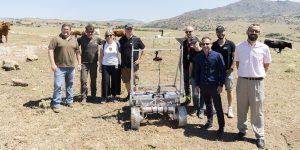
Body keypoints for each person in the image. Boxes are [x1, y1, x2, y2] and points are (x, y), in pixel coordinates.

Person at [234, 24, 271, 149]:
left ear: (259, 33)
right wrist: (246, 74)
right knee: (241, 108)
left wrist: (256, 74)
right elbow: (237, 63)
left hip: (257, 83)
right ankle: (242, 130)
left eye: (256, 31)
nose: (253, 32)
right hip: (242, 81)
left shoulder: (264, 48)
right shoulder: (239, 47)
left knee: (257, 111)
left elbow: (266, 65)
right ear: (247, 31)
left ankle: (259, 136)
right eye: (251, 30)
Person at [194, 36, 226, 138]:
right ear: (201, 45)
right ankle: (209, 122)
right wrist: (197, 85)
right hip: (203, 85)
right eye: (203, 44)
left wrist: (221, 85)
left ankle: (221, 127)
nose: (205, 46)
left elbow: (223, 71)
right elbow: (197, 72)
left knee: (218, 107)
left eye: (207, 44)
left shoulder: (217, 56)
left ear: (211, 44)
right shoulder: (198, 57)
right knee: (208, 105)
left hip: (214, 86)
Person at [48, 23, 81, 113]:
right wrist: (53, 64)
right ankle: (56, 104)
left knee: (70, 85)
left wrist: (79, 64)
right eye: (64, 29)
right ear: (61, 30)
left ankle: (69, 101)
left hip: (71, 67)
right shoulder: (56, 39)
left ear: (70, 31)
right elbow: (50, 50)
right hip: (59, 67)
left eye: (67, 29)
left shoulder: (74, 40)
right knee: (58, 86)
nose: (66, 31)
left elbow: (78, 52)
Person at [212, 25, 236, 118]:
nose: (220, 33)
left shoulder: (231, 44)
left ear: (224, 32)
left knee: (229, 90)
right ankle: (215, 107)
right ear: (216, 33)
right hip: (216, 71)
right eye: (218, 32)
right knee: (215, 90)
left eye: (221, 32)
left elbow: (235, 57)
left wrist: (232, 68)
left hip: (227, 72)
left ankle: (230, 108)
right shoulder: (213, 45)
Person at [119, 23, 145, 101]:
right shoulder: (122, 39)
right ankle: (129, 95)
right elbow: (119, 49)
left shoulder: (136, 39)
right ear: (125, 30)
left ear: (132, 30)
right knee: (126, 81)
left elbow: (143, 48)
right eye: (127, 29)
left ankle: (136, 96)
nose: (129, 30)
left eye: (130, 29)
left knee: (135, 81)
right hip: (124, 64)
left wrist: (140, 59)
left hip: (134, 65)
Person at [77, 24, 103, 103]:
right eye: (88, 32)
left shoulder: (97, 39)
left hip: (94, 63)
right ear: (86, 31)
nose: (90, 33)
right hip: (84, 63)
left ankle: (93, 96)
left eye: (91, 32)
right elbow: (74, 46)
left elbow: (106, 43)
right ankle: (84, 97)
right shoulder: (81, 39)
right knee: (83, 80)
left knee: (93, 80)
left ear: (94, 31)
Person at [99, 29, 121, 103]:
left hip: (115, 65)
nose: (109, 37)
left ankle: (114, 96)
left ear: (113, 36)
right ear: (105, 37)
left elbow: (122, 52)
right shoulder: (103, 45)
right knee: (105, 81)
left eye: (111, 35)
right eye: (107, 35)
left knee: (115, 81)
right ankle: (105, 97)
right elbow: (101, 56)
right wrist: (100, 66)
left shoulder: (117, 44)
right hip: (105, 65)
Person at [181, 26, 199, 108]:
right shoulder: (184, 42)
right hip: (185, 66)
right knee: (186, 85)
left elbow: (200, 51)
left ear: (193, 31)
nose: (188, 33)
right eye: (187, 32)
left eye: (190, 31)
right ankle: (188, 99)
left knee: (195, 85)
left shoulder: (197, 41)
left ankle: (197, 104)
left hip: (195, 68)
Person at [189, 37, 206, 118]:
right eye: (192, 43)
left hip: (203, 76)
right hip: (194, 76)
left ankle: (202, 109)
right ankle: (196, 108)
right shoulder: (192, 52)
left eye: (195, 42)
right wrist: (190, 77)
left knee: (203, 93)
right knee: (195, 94)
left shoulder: (204, 51)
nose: (194, 45)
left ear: (199, 42)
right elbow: (191, 65)